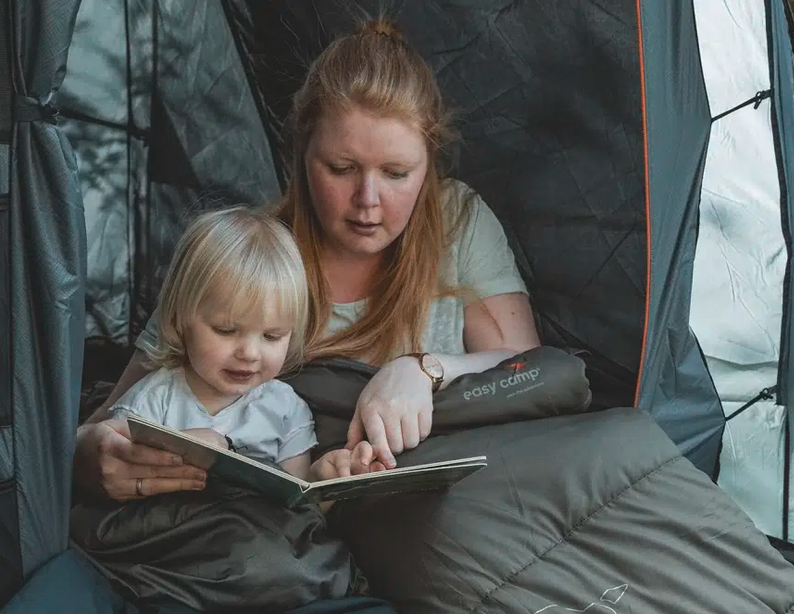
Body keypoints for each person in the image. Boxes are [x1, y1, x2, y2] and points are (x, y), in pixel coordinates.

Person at [75, 17, 540, 502]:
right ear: (301, 153)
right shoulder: (250, 255)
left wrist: (423, 368)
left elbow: (529, 373)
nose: (368, 199)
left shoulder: (456, 221)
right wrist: (90, 457)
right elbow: (110, 420)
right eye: (341, 168)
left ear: (428, 165)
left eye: (397, 173)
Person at [103, 205, 380, 493]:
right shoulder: (150, 404)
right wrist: (180, 451)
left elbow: (293, 510)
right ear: (179, 318)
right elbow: (117, 490)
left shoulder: (285, 409)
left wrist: (323, 479)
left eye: (272, 336)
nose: (249, 353)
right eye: (226, 330)